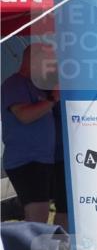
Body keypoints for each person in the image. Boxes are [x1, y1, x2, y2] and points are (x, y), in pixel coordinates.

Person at [1, 44, 67, 227]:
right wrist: (53, 98)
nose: (51, 64)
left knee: (45, 211)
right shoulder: (14, 84)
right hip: (26, 160)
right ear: (33, 60)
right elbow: (24, 115)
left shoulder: (37, 86)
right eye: (48, 60)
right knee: (37, 214)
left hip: (43, 159)